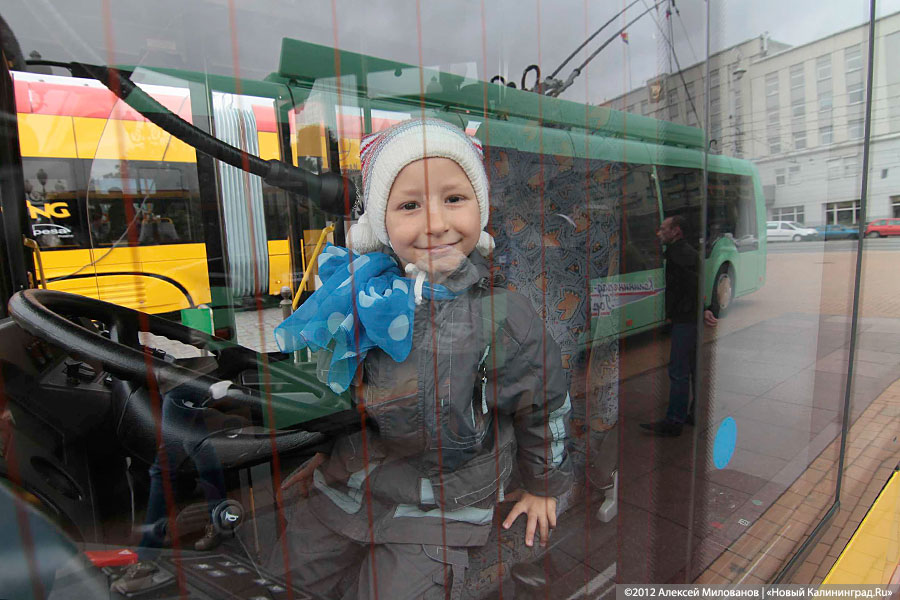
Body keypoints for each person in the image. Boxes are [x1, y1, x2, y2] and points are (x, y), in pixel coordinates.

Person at [268, 118, 573, 599]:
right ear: (380, 223)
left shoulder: (500, 314)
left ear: (481, 208)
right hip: (349, 488)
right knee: (281, 577)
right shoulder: (360, 299)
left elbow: (545, 402)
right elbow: (339, 394)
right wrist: (322, 454)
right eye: (410, 205)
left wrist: (544, 485)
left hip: (442, 507)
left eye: (454, 199)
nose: (435, 223)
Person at [640, 215, 718, 437]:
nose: (659, 233)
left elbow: (691, 286)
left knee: (678, 370)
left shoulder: (679, 255)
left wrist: (697, 310)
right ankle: (693, 414)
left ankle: (674, 421)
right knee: (692, 368)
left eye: (663, 228)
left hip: (686, 320)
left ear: (676, 231)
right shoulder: (685, 252)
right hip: (690, 318)